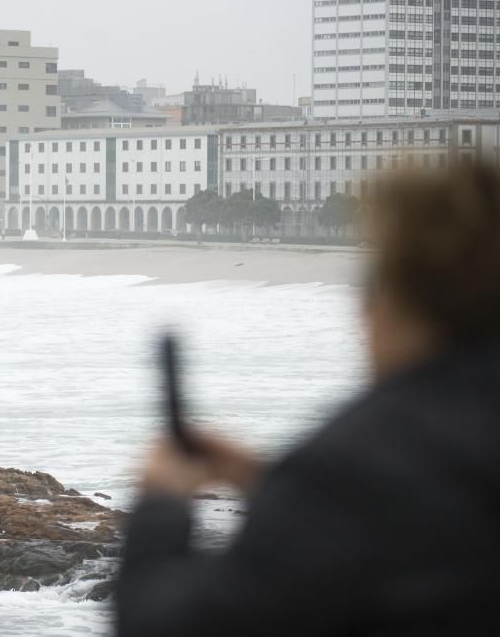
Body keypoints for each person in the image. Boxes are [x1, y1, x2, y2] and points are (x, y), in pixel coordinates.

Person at [117, 163, 500, 636]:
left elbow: (169, 627)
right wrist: (271, 485)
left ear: (397, 296)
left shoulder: (352, 468)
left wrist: (161, 507)